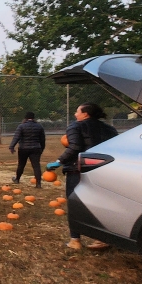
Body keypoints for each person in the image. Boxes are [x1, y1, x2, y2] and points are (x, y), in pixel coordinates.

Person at [48, 103, 118, 251]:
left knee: (75, 203)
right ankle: (102, 238)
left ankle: (75, 240)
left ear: (85, 114)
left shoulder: (76, 126)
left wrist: (59, 161)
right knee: (101, 203)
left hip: (78, 169)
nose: (75, 114)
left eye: (77, 111)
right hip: (103, 169)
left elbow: (75, 147)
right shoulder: (109, 129)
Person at [8, 111, 46, 187]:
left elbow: (16, 137)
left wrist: (12, 146)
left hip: (23, 148)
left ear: (25, 118)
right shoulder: (39, 126)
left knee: (21, 164)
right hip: (36, 148)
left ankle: (17, 179)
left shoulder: (21, 126)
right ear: (33, 118)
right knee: (36, 166)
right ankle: (38, 183)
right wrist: (41, 148)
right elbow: (42, 139)